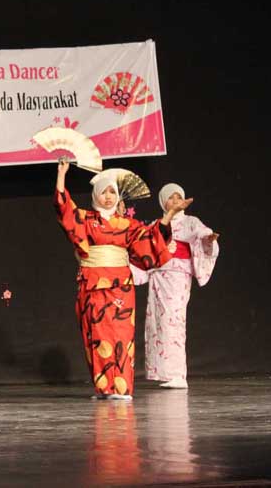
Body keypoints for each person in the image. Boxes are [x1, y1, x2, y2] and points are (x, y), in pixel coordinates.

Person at [54, 159, 189, 399]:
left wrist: (169, 214)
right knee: (97, 335)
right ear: (95, 195)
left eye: (112, 192)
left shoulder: (127, 224)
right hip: (93, 282)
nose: (108, 197)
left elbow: (151, 239)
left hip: (120, 285)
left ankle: (122, 387)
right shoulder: (86, 219)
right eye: (104, 192)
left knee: (122, 334)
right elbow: (65, 210)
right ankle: (104, 387)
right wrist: (62, 174)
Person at [134, 183, 220, 389]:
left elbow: (202, 232)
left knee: (174, 319)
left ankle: (178, 374)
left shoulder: (190, 221)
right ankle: (161, 372)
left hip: (177, 274)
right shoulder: (158, 223)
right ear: (162, 201)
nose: (174, 201)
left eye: (177, 197)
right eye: (170, 198)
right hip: (158, 273)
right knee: (156, 320)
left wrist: (208, 237)